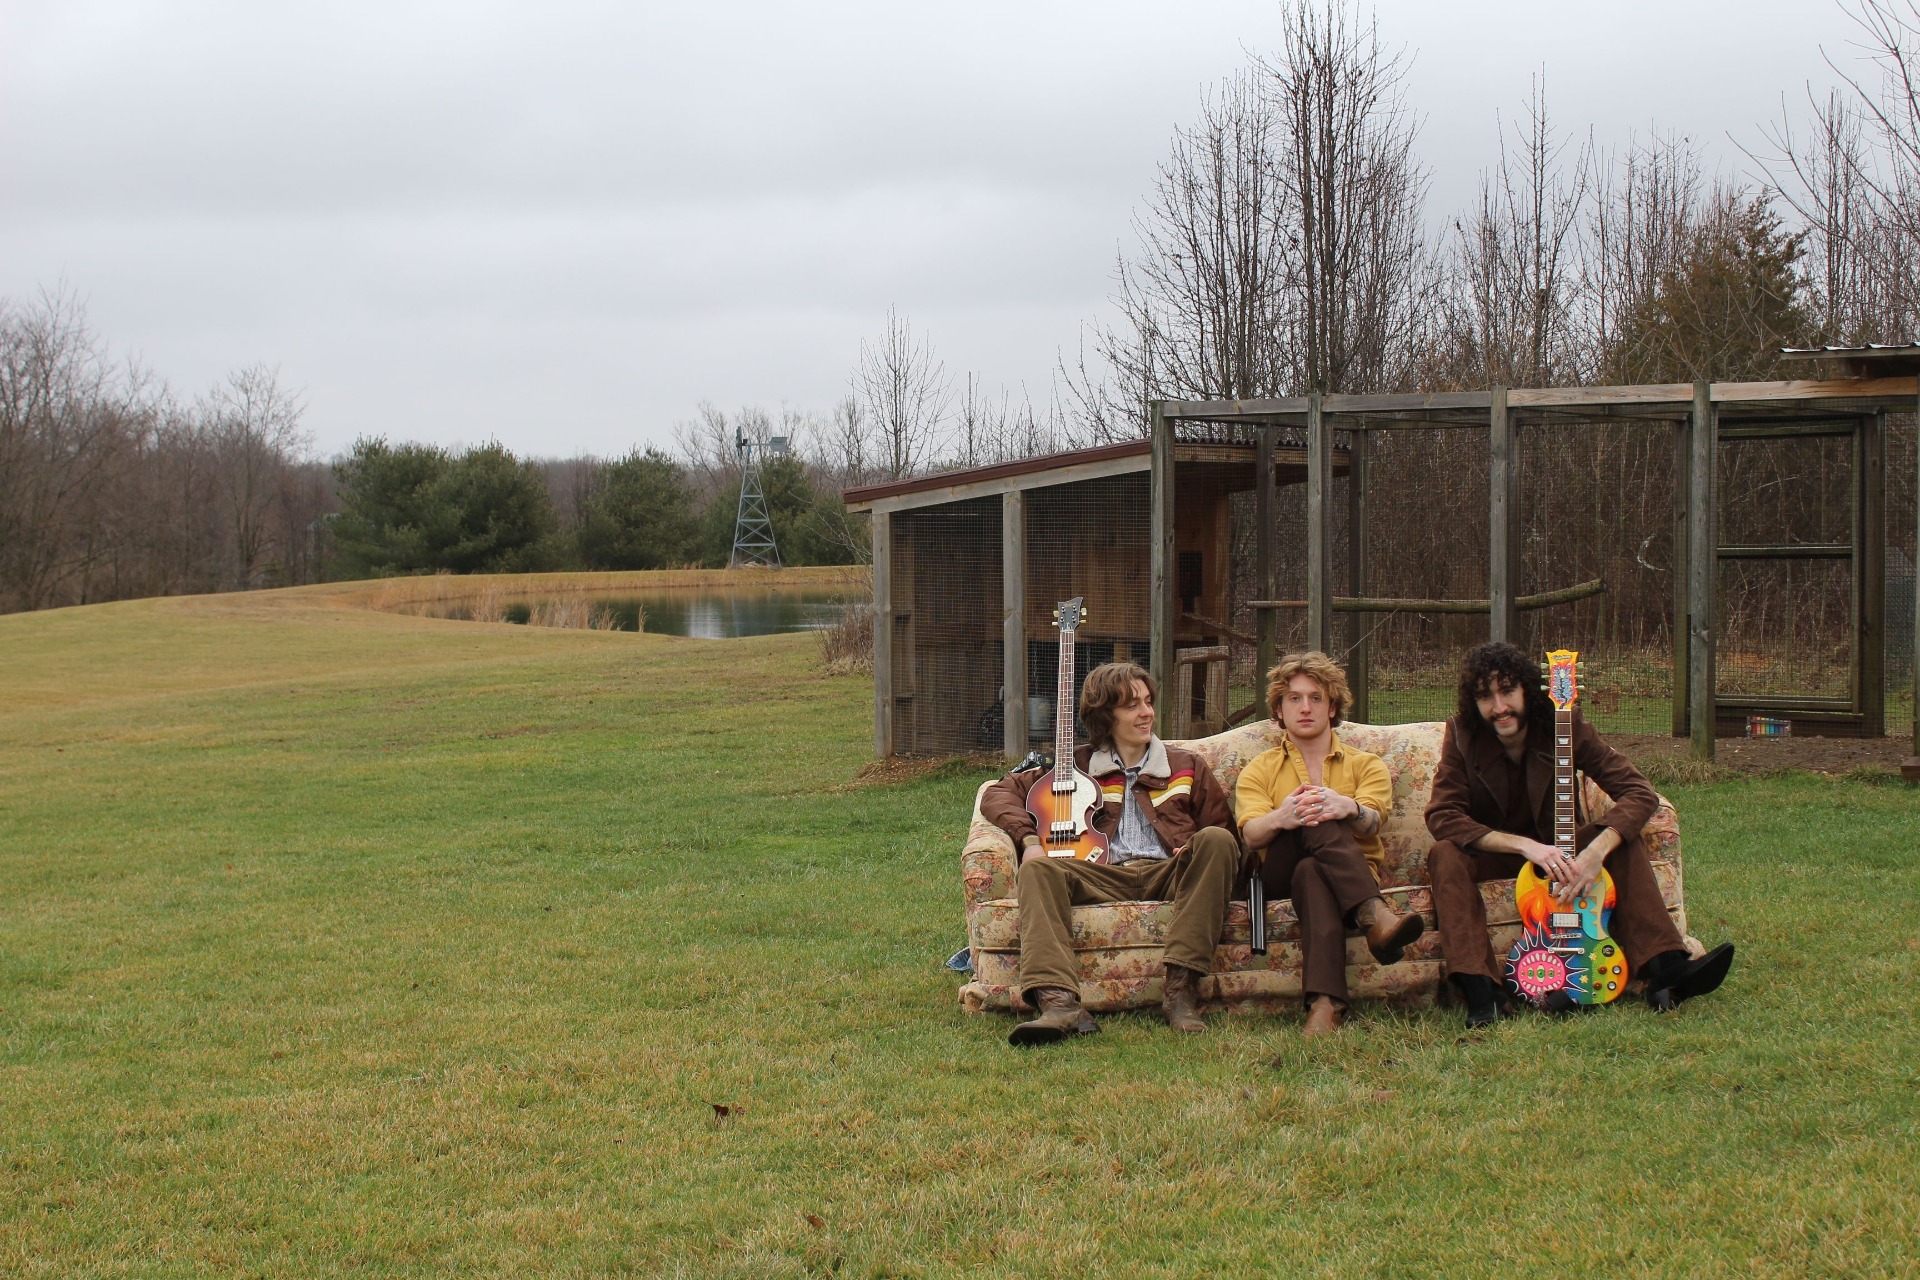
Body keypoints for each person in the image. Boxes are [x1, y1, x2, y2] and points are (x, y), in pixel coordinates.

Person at [1424, 641, 1735, 1029]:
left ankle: (1667, 970)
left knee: (1619, 837)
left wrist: (1596, 852)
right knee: (1445, 854)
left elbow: (1639, 792)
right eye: (1485, 696)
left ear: (1528, 689)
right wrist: (1524, 846)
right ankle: (1482, 992)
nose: (1499, 706)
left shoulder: (1563, 724)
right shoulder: (1462, 736)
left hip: (1564, 854)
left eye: (1507, 691)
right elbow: (1442, 814)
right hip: (1501, 853)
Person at [980, 661, 1241, 1046]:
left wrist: (1196, 848)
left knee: (1216, 841)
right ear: (1105, 716)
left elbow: (1227, 837)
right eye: (1132, 705)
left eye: (1148, 702)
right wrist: (1030, 842)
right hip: (1100, 874)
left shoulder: (1186, 765)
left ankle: (1180, 993)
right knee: (1038, 870)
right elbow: (998, 793)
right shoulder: (1076, 766)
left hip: (1170, 872)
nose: (1146, 712)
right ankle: (1059, 1005)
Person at [1235, 651, 1426, 1037]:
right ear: (1279, 709)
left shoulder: (1365, 764)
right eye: (1294, 698)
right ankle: (1374, 916)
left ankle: (1326, 1006)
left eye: (1316, 698)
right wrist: (1284, 815)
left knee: (1313, 870)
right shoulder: (1260, 768)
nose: (1305, 708)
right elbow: (1251, 835)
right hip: (1277, 875)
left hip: (1341, 877)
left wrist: (1348, 807)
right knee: (1314, 810)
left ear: (1333, 707)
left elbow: (1373, 821)